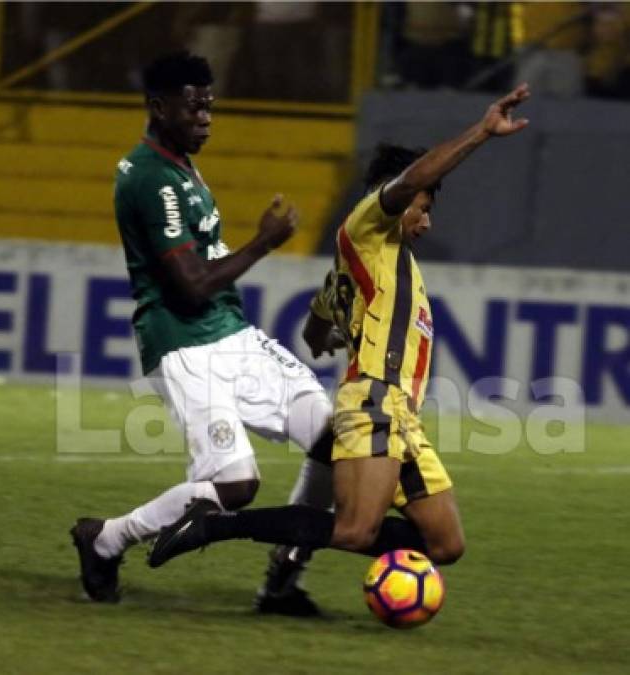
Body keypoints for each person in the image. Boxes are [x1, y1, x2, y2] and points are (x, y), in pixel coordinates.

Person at [146, 84, 532, 594]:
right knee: (353, 531)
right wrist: (481, 132)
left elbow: (315, 324)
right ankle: (212, 525)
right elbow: (415, 177)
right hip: (373, 400)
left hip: (399, 415)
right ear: (394, 195)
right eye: (422, 207)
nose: (426, 220)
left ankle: (276, 568)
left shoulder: (371, 262)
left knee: (444, 545)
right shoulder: (369, 223)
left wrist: (328, 334)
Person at [70, 51, 334, 605]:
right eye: (193, 108)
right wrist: (263, 243)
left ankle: (284, 576)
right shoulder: (152, 179)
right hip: (186, 344)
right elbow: (190, 286)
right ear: (158, 107)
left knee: (336, 439)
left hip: (231, 334)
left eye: (210, 107)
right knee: (236, 486)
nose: (205, 119)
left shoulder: (178, 162)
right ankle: (105, 540)